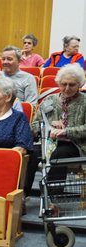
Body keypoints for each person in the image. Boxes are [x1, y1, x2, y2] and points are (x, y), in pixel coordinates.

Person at [31, 64, 86, 194]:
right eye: (63, 84)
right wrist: (49, 126)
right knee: (31, 152)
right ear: (58, 83)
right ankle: (24, 194)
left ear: (79, 84)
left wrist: (66, 131)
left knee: (59, 154)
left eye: (72, 85)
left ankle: (52, 197)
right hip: (49, 142)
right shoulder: (49, 100)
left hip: (76, 144)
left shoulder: (84, 102)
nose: (67, 88)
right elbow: (34, 125)